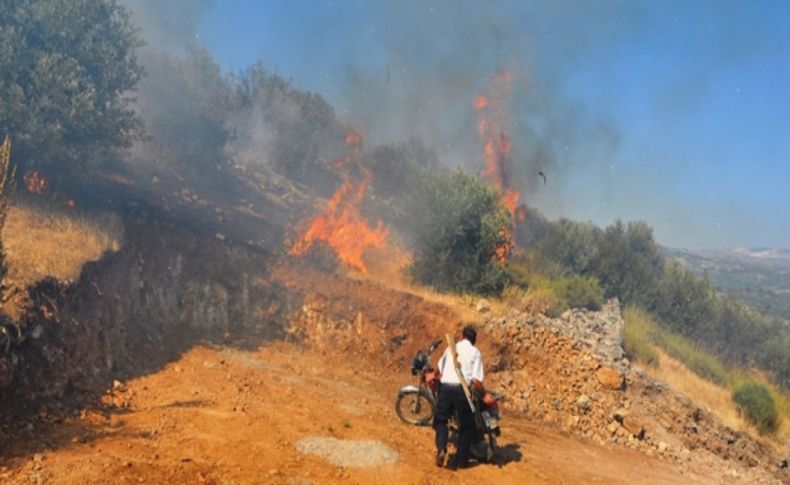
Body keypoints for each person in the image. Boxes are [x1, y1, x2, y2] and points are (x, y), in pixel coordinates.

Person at [433, 324, 484, 469]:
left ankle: (442, 448)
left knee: (441, 421)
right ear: (474, 340)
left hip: (445, 389)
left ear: (462, 337)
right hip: (462, 392)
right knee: (466, 427)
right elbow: (475, 380)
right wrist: (484, 395)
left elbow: (439, 369)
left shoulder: (451, 348)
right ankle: (462, 462)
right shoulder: (475, 352)